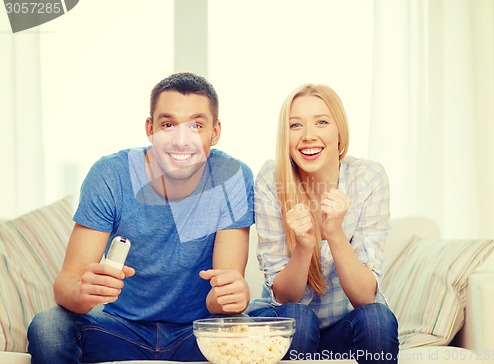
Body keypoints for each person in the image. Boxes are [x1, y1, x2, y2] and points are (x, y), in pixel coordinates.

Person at [27, 72, 254, 363]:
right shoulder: (111, 174)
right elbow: (67, 282)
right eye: (168, 124)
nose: (181, 141)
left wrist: (231, 296)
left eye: (196, 126)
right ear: (150, 128)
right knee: (48, 326)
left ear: (215, 131)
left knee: (245, 330)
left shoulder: (232, 178)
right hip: (120, 329)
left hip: (198, 333)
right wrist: (83, 293)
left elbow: (220, 296)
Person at [247, 83, 399, 363]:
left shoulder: (368, 178)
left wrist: (335, 233)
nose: (308, 136)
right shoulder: (272, 178)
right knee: (298, 318)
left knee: (377, 318)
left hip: (341, 329)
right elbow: (285, 296)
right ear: (285, 136)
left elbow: (366, 297)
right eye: (295, 125)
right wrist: (304, 246)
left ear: (339, 131)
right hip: (287, 317)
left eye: (321, 122)